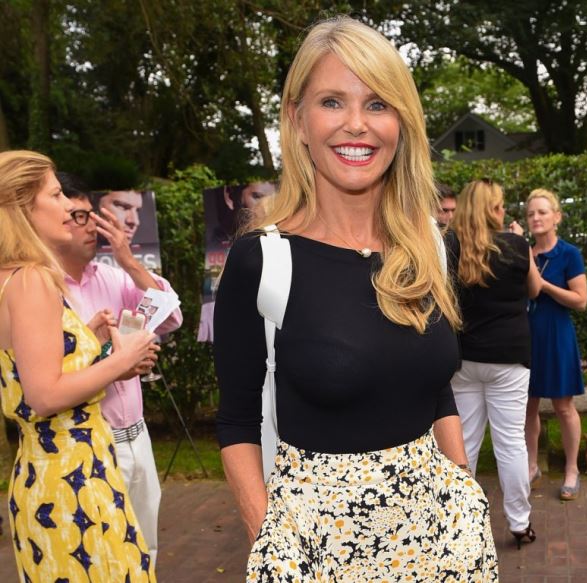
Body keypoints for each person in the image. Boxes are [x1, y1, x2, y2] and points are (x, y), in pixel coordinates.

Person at [214, 17, 497, 581]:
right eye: (332, 101)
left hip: (443, 540)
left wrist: (464, 489)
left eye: (377, 104)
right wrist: (269, 541)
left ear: (401, 122)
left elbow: (434, 386)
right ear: (297, 119)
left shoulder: (426, 247)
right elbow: (237, 420)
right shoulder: (262, 260)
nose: (356, 124)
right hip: (320, 551)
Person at [0, 150, 157, 581]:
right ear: (21, 206)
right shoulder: (32, 278)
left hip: (44, 475)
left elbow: (25, 370)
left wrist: (84, 338)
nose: (70, 206)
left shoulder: (8, 278)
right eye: (56, 195)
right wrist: (122, 359)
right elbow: (44, 394)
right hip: (74, 477)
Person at [55, 172, 183, 565]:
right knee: (101, 555)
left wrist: (129, 263)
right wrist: (114, 362)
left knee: (146, 548)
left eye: (92, 216)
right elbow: (47, 379)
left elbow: (171, 318)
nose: (90, 226)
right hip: (90, 443)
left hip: (138, 437)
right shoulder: (43, 289)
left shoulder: (113, 276)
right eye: (78, 217)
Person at [450, 178, 542, 549]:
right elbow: (535, 289)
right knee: (511, 443)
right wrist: (522, 244)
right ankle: (519, 523)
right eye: (500, 205)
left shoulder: (451, 245)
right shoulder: (516, 245)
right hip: (509, 358)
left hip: (465, 357)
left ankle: (461, 522)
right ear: (492, 209)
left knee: (464, 441)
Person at [524, 188, 587, 501]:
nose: (536, 218)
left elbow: (580, 301)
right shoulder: (524, 252)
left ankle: (572, 469)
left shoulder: (569, 254)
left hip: (557, 336)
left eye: (542, 212)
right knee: (527, 406)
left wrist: (545, 285)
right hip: (526, 337)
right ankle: (531, 466)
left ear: (557, 217)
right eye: (530, 213)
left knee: (563, 407)